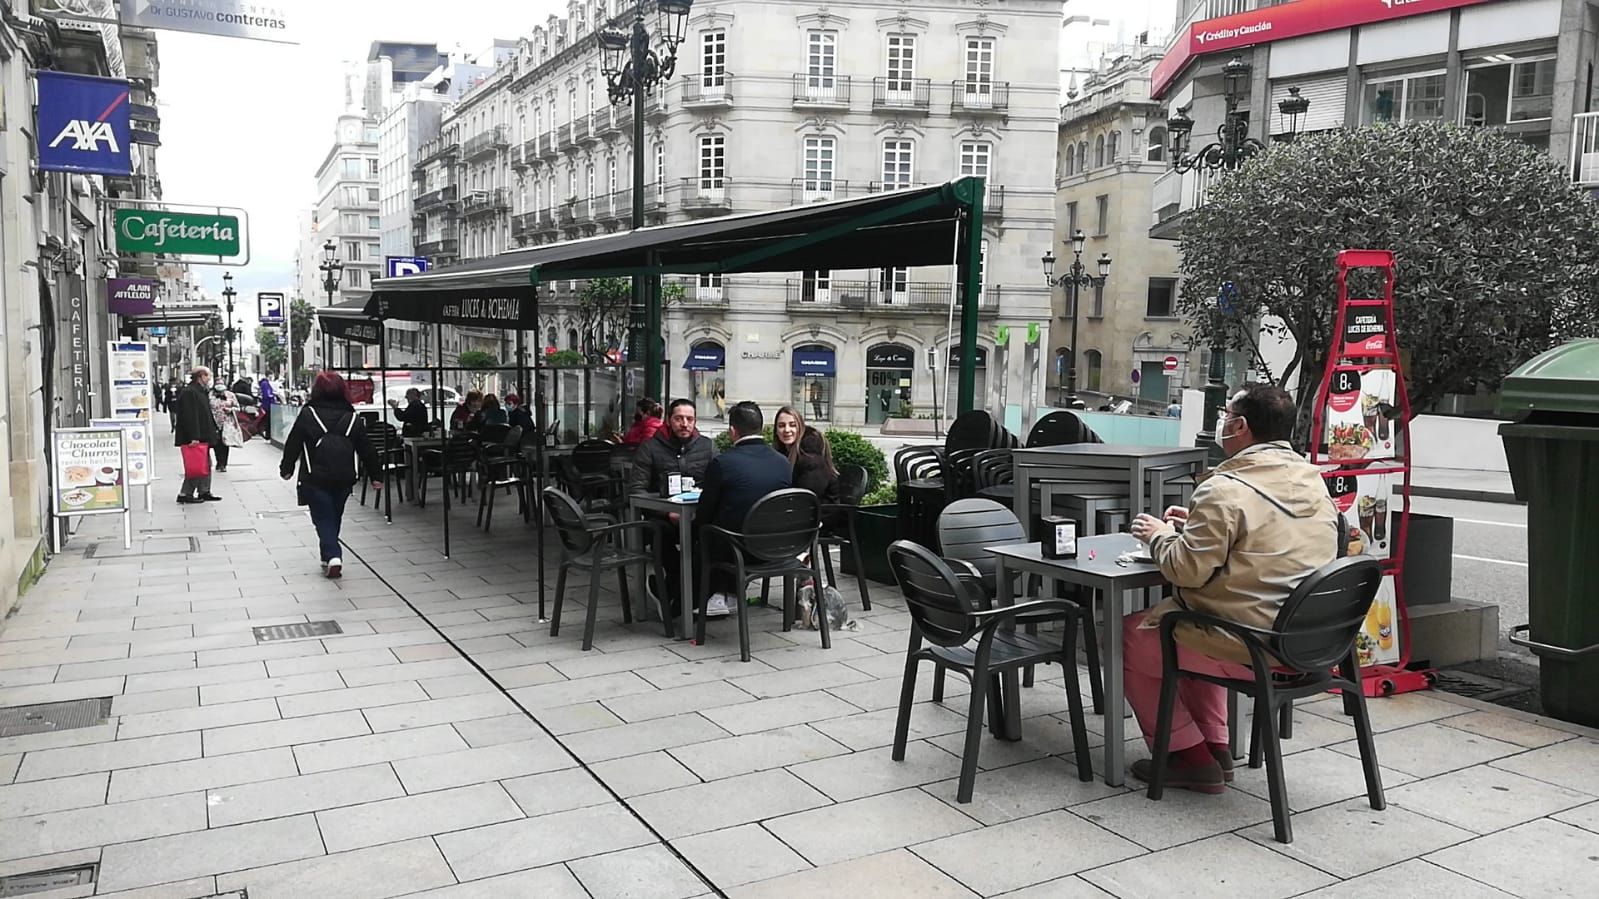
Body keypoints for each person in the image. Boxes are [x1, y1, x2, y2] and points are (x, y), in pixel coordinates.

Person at [1123, 383, 1340, 793]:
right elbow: (1268, 539)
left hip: (1255, 646)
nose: (1222, 424)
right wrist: (1199, 527)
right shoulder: (1313, 483)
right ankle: (1213, 744)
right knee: (1190, 623)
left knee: (1135, 635)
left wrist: (1157, 536)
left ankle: (1184, 755)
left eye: (1225, 416)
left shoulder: (1224, 489)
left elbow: (1185, 571)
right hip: (1313, 642)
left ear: (1239, 426)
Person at [279, 371, 381, 579]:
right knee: (334, 516)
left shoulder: (308, 414)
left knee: (323, 517)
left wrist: (286, 468)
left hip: (314, 476)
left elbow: (293, 442)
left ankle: (333, 555)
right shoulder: (352, 417)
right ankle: (327, 557)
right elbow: (367, 449)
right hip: (344, 476)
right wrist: (376, 475)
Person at [696, 402, 792, 618]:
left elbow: (704, 515)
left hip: (738, 551)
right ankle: (724, 595)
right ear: (762, 427)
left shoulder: (722, 463)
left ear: (732, 431)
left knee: (699, 536)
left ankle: (698, 600)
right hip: (778, 548)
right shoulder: (783, 462)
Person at [628, 398, 717, 617]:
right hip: (659, 517)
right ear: (669, 420)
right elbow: (636, 490)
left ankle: (671, 593)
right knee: (662, 534)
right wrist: (666, 512)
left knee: (712, 539)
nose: (685, 424)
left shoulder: (707, 446)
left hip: (697, 516)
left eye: (690, 419)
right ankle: (680, 592)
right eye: (679, 419)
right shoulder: (649, 448)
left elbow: (719, 483)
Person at [173, 367, 221, 504]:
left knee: (205, 463)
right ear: (201, 376)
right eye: (208, 376)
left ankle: (204, 490)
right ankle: (185, 493)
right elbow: (190, 416)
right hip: (195, 437)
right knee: (197, 465)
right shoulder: (190, 392)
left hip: (203, 435)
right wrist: (194, 436)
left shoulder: (200, 391)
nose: (210, 379)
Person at [210, 386, 244, 471]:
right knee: (216, 443)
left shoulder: (230, 395)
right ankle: (218, 461)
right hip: (214, 422)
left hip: (226, 423)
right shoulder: (210, 395)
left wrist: (230, 410)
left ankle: (223, 464)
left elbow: (238, 408)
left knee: (225, 443)